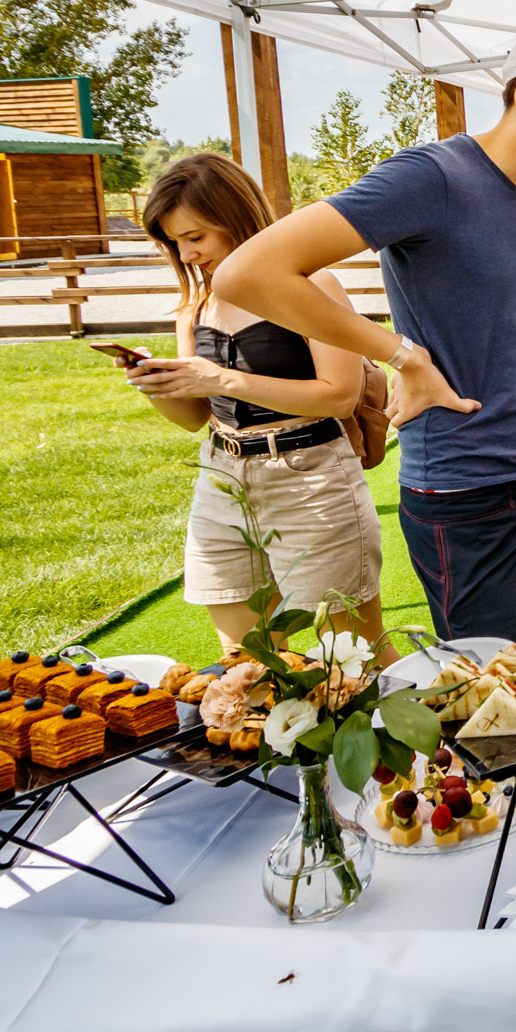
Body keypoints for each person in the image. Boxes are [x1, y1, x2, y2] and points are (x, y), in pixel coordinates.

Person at [213, 12, 516, 644]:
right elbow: (249, 274)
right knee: (501, 717)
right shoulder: (431, 178)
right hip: (464, 491)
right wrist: (400, 354)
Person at [126, 154, 392, 663]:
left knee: (354, 659)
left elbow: (338, 393)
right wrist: (156, 386)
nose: (186, 254)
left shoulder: (312, 285)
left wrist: (222, 377)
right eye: (175, 242)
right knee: (248, 662)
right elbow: (193, 417)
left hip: (310, 475)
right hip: (221, 475)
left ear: (237, 219)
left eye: (196, 236)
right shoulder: (197, 304)